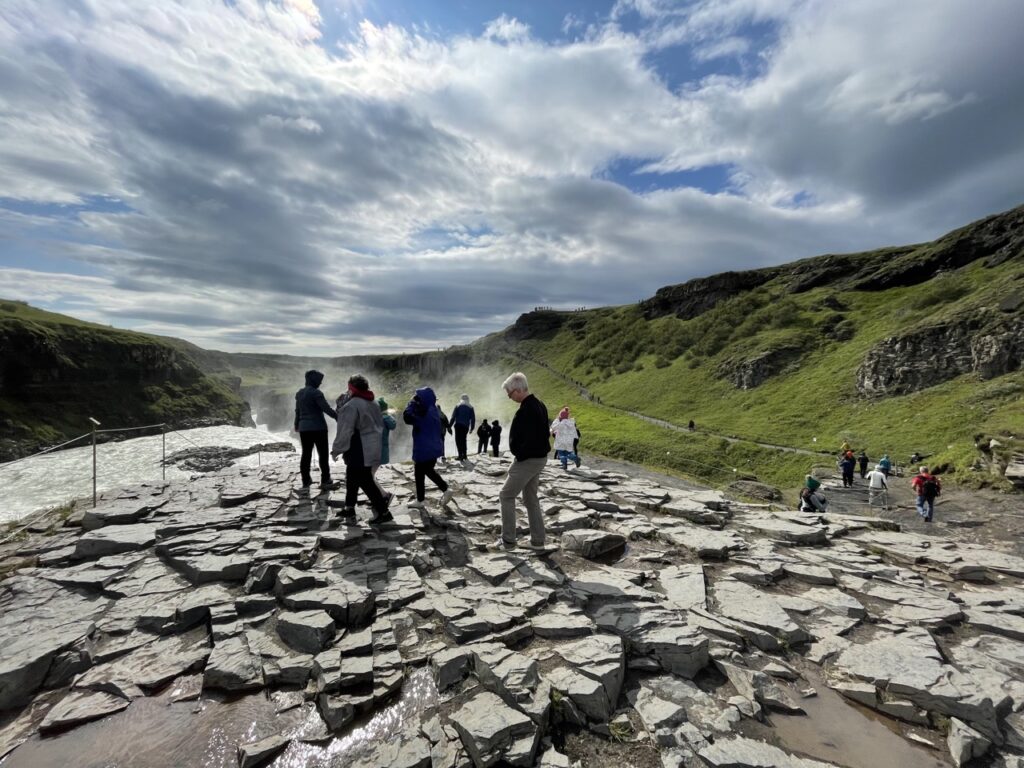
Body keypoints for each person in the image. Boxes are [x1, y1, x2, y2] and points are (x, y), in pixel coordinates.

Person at [497, 372, 550, 550]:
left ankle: (509, 541)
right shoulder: (539, 404)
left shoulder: (527, 409)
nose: (509, 398)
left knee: (506, 495)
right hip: (539, 458)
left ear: (518, 389)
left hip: (528, 460)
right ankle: (537, 541)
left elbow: (526, 439)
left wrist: (518, 455)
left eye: (510, 394)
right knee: (530, 498)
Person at [331, 375, 391, 525]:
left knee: (365, 480)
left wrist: (336, 449)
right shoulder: (374, 402)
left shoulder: (352, 405)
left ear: (351, 388)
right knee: (351, 476)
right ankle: (349, 507)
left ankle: (384, 512)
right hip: (372, 445)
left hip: (358, 446)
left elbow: (345, 430)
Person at [403, 387, 454, 509]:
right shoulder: (434, 409)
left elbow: (407, 417)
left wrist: (411, 403)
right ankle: (420, 500)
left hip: (424, 448)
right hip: (434, 447)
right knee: (421, 472)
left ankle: (445, 489)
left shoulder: (422, 412)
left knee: (425, 471)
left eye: (418, 397)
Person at [294, 370, 337, 490]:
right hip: (319, 428)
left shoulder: (299, 393)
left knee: (306, 454)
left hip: (304, 428)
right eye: (319, 381)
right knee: (323, 454)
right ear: (314, 381)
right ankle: (325, 479)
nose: (320, 383)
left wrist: (297, 424)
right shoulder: (316, 393)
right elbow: (326, 408)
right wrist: (338, 417)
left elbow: (297, 411)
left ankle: (306, 480)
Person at [551, 406, 581, 470]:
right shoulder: (570, 422)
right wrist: (575, 437)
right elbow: (574, 430)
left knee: (561, 453)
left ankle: (564, 464)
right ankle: (575, 458)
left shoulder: (559, 422)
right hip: (568, 441)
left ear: (560, 416)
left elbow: (553, 427)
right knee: (568, 453)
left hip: (560, 441)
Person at [451, 394, 476, 462]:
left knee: (458, 440)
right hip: (465, 427)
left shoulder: (458, 405)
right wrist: (472, 428)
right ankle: (464, 455)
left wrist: (449, 426)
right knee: (463, 440)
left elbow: (453, 417)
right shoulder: (471, 407)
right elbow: (473, 419)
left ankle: (460, 455)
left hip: (458, 425)